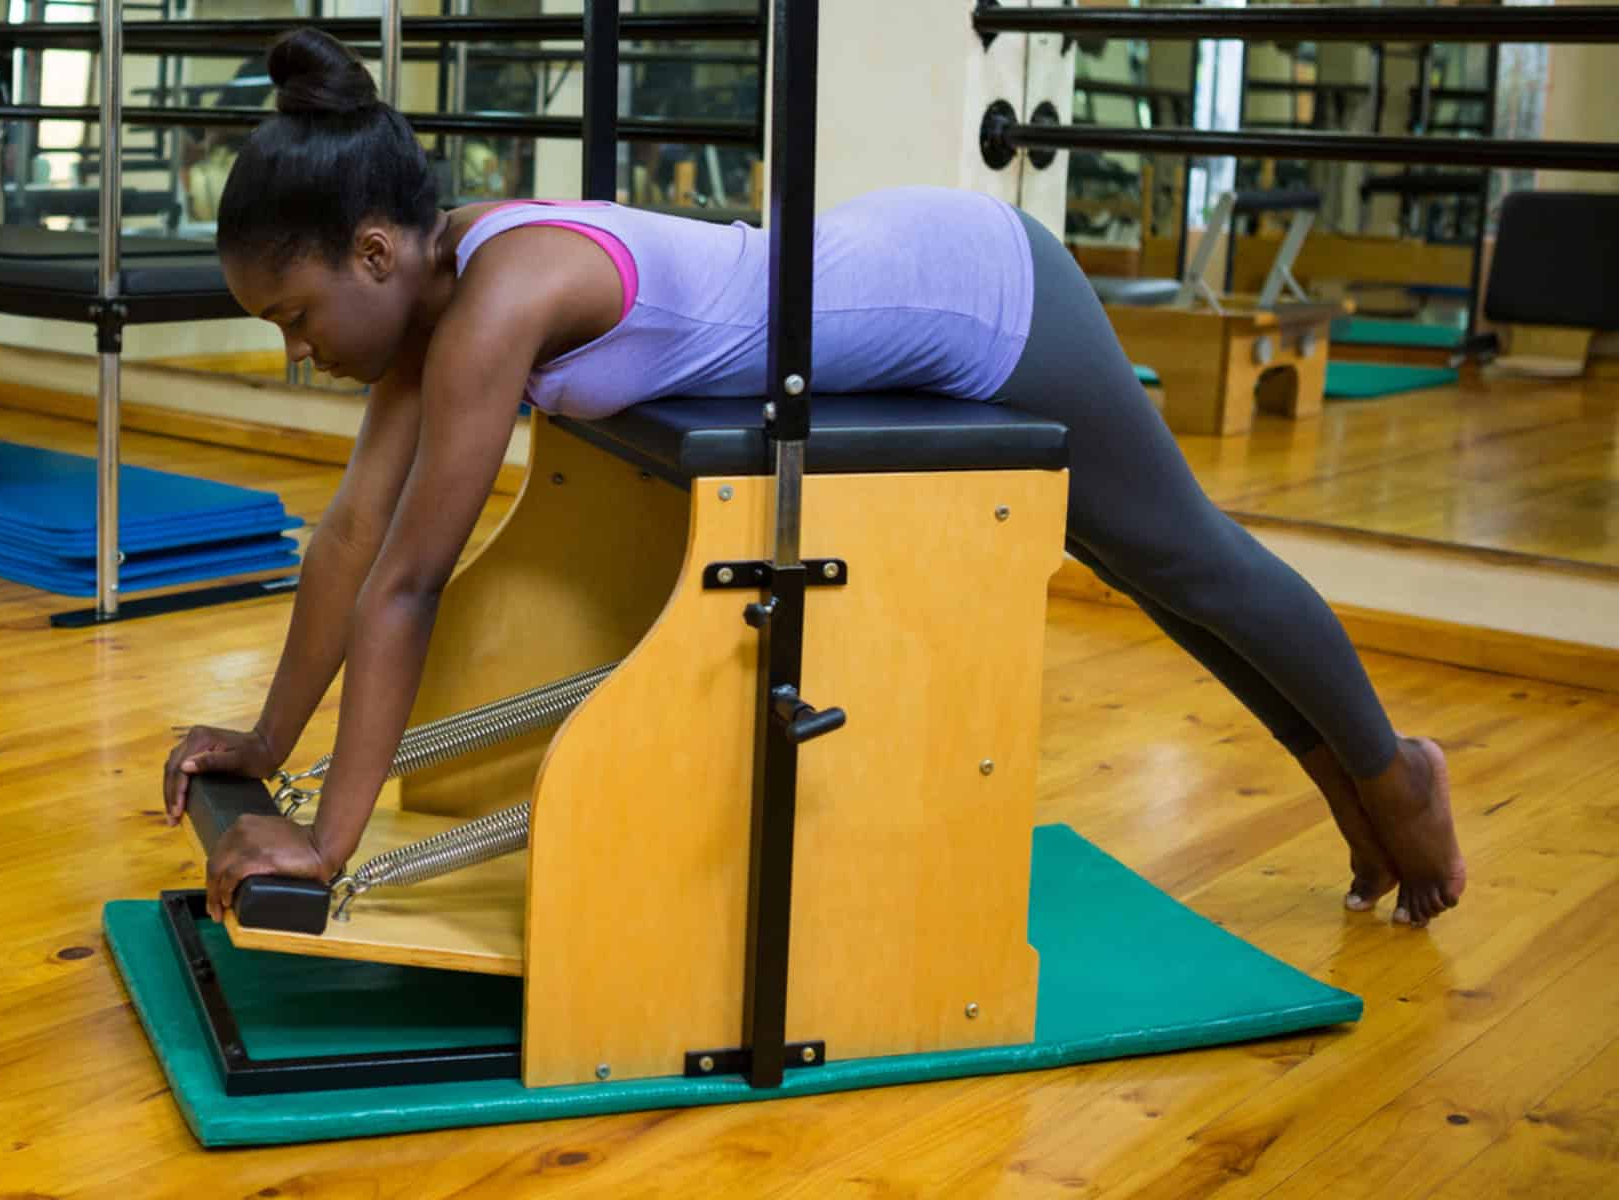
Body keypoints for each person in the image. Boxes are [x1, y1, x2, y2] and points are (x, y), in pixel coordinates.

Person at [159, 29, 1465, 930]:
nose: (295, 349)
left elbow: (408, 586)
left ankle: (1394, 772)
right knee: (1150, 567)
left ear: (377, 252)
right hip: (906, 278)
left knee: (1180, 560)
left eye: (294, 314)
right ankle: (1355, 790)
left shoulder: (498, 304)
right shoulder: (436, 312)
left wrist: (327, 846)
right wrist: (265, 745)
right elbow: (346, 543)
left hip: (980, 292)